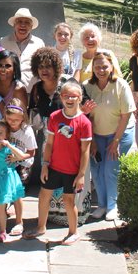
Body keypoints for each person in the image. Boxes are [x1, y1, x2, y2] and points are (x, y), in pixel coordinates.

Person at [29, 46, 94, 226]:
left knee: (72, 182)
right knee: (50, 182)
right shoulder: (37, 89)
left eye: (48, 66)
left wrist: (85, 112)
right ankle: (51, 217)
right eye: (41, 66)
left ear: (57, 66)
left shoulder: (68, 82)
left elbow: (83, 104)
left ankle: (74, 220)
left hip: (74, 140)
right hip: (50, 140)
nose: (44, 70)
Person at [25, 79, 92, 245]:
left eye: (73, 96)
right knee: (43, 196)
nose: (69, 99)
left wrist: (81, 175)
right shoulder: (55, 117)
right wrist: (45, 165)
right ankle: (41, 227)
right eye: (65, 96)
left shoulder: (84, 122)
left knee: (69, 201)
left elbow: (85, 151)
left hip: (72, 171)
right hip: (54, 167)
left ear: (80, 98)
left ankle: (73, 232)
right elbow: (49, 143)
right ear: (60, 98)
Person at [84, 51, 136, 221]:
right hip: (96, 135)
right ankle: (102, 205)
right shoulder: (86, 86)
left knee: (110, 170)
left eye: (105, 66)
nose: (101, 70)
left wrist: (115, 143)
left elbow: (125, 116)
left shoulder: (120, 85)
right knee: (97, 170)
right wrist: (92, 142)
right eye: (97, 66)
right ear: (93, 68)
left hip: (119, 134)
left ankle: (113, 206)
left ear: (111, 67)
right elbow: (85, 117)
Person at [5, 99, 37, 236]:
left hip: (23, 163)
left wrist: (18, 157)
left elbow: (31, 152)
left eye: (16, 119)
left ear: (22, 118)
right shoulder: (3, 128)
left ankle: (19, 222)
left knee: (17, 192)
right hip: (7, 162)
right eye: (9, 119)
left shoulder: (26, 131)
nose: (12, 122)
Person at [0, 8, 45, 91]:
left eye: (27, 22)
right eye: (19, 21)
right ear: (14, 25)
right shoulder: (2, 42)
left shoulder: (39, 44)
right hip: (7, 92)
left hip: (31, 92)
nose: (23, 25)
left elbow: (43, 68)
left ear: (31, 26)